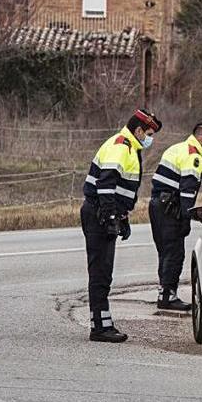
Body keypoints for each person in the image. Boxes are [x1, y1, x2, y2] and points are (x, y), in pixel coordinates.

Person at [81, 108, 162, 343]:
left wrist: (122, 217)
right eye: (148, 133)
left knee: (104, 272)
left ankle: (103, 322)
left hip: (104, 213)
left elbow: (119, 189)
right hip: (98, 213)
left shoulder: (129, 146)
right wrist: (109, 217)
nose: (150, 138)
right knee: (100, 272)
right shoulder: (121, 146)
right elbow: (106, 183)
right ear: (138, 130)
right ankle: (99, 327)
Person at [148, 123, 202, 311]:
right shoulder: (193, 156)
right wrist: (187, 218)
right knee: (174, 253)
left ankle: (164, 293)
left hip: (157, 205)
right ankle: (168, 297)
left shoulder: (177, 148)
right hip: (171, 209)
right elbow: (188, 192)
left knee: (164, 252)